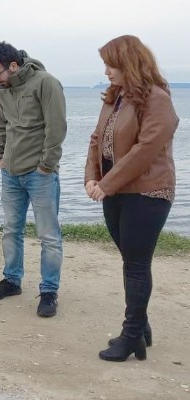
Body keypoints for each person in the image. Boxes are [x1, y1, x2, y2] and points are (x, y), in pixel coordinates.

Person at [85, 35, 178, 362]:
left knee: (136, 264)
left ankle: (130, 336)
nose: (107, 70)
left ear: (129, 62)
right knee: (131, 262)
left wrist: (107, 183)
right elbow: (97, 139)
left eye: (111, 63)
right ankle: (141, 328)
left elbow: (146, 149)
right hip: (115, 190)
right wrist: (91, 177)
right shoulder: (115, 97)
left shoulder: (157, 99)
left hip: (149, 191)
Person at [0, 42, 67, 317]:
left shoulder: (46, 83)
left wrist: (46, 166)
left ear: (14, 66)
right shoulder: (2, 90)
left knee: (49, 236)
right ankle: (12, 280)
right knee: (10, 230)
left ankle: (49, 291)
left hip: (39, 174)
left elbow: (56, 128)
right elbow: (2, 125)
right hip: (10, 172)